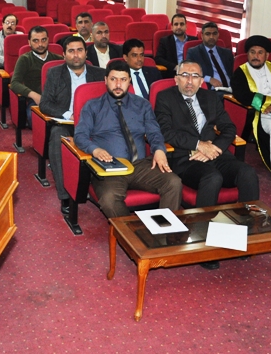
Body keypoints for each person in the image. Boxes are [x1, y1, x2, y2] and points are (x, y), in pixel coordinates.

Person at [155, 60, 259, 238]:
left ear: (202, 81)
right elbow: (166, 132)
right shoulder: (165, 98)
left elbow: (229, 128)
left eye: (195, 76)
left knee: (247, 172)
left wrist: (215, 148)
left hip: (215, 154)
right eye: (185, 75)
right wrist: (198, 145)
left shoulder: (210, 97)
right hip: (186, 158)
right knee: (212, 177)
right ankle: (202, 234)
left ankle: (246, 231)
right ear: (176, 79)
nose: (190, 81)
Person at [74, 60, 182, 219]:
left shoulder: (142, 105)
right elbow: (80, 136)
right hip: (110, 167)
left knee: (173, 183)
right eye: (113, 79)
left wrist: (159, 150)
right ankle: (131, 231)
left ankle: (164, 228)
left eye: (123, 80)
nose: (118, 84)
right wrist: (95, 150)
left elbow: (154, 132)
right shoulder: (92, 106)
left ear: (129, 81)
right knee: (109, 199)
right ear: (105, 80)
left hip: (141, 165)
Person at [39, 36, 106, 215]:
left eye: (79, 50)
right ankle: (65, 195)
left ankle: (101, 188)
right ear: (64, 55)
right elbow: (45, 104)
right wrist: (69, 114)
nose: (76, 55)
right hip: (67, 123)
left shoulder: (100, 74)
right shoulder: (54, 73)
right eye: (71, 51)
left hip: (94, 124)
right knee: (56, 137)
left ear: (86, 53)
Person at [230, 35, 271, 187]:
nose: (255, 56)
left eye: (260, 52)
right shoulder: (240, 73)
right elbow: (242, 95)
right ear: (247, 54)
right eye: (252, 52)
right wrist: (270, 102)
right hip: (261, 114)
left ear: (267, 55)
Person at [10, 26, 63, 128]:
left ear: (48, 40)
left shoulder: (58, 59)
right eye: (35, 41)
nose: (40, 44)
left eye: (43, 40)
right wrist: (34, 95)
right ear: (29, 42)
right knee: (36, 121)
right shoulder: (25, 59)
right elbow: (14, 83)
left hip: (58, 99)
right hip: (36, 100)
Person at [186, 22, 233, 92]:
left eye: (214, 34)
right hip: (212, 91)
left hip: (231, 89)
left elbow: (233, 73)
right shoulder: (194, 52)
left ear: (218, 35)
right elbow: (189, 71)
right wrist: (209, 79)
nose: (211, 37)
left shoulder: (227, 53)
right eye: (208, 34)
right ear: (202, 36)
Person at [154, 13, 197, 78]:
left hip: (192, 73)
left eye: (181, 24)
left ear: (186, 26)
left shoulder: (194, 41)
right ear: (172, 27)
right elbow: (158, 58)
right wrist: (175, 67)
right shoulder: (165, 41)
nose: (179, 27)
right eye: (176, 24)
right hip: (173, 74)